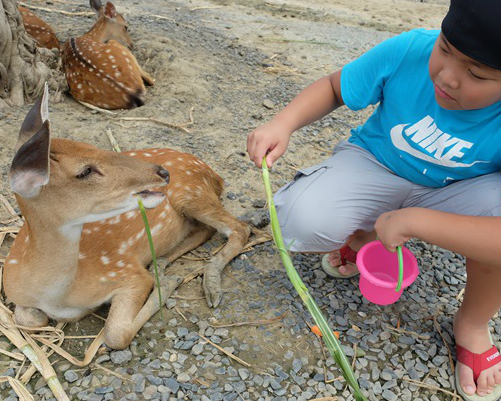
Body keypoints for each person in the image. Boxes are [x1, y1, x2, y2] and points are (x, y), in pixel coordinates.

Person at [246, 0, 501, 399]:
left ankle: (471, 322)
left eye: (476, 73)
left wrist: (417, 222)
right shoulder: (412, 49)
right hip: (376, 163)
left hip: (459, 189)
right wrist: (284, 121)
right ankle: (364, 232)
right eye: (446, 49)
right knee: (296, 220)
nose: (447, 77)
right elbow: (334, 86)